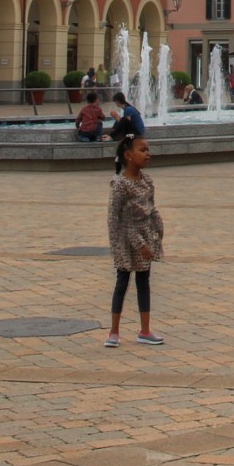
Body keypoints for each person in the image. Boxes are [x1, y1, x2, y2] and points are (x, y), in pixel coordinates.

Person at [105, 133, 165, 348]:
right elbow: (115, 218)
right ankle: (114, 332)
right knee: (122, 281)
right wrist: (121, 243)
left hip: (145, 236)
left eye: (148, 150)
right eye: (142, 150)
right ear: (128, 155)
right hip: (125, 239)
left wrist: (158, 229)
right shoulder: (121, 185)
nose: (148, 154)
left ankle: (145, 330)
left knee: (144, 281)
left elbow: (151, 208)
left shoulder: (147, 181)